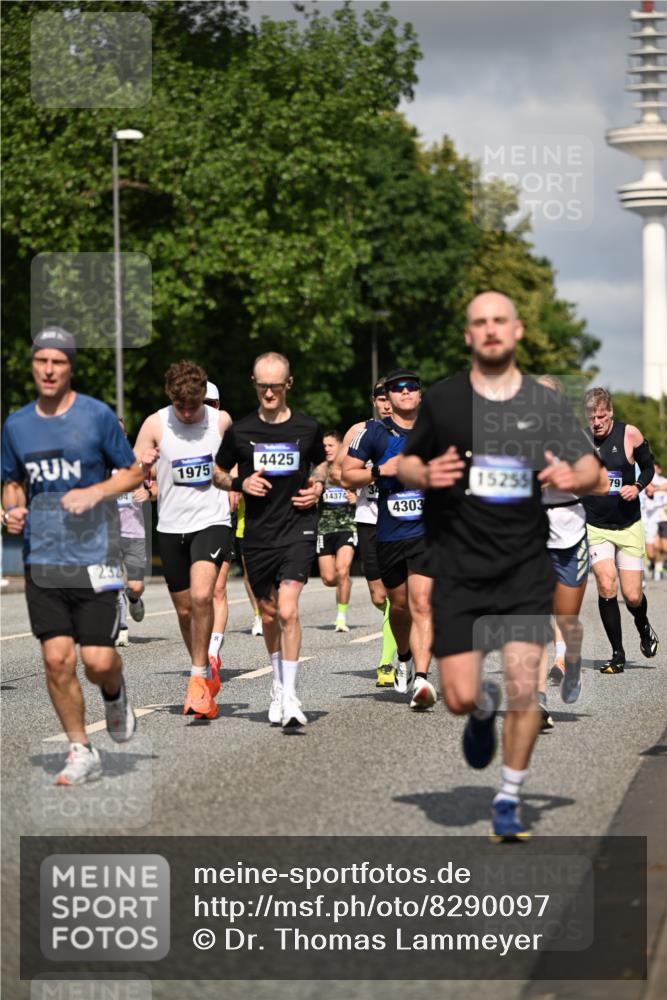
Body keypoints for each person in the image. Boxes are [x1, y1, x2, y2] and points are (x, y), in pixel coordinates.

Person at [398, 292, 601, 840]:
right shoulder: (442, 402)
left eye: (499, 321)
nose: (490, 330)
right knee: (462, 696)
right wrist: (426, 473)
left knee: (522, 687)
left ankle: (509, 795)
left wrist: (572, 478)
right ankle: (480, 710)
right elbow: (405, 461)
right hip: (458, 567)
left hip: (522, 568)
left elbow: (594, 474)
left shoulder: (544, 403)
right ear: (469, 335)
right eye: (479, 322)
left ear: (517, 330)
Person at [1, 327, 154, 784]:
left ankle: (114, 692)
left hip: (97, 553)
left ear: (70, 367)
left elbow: (132, 475)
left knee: (99, 661)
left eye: (58, 362)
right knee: (56, 660)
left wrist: (94, 492)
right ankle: (80, 748)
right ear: (33, 365)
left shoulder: (96, 416)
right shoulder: (17, 425)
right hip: (43, 557)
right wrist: (11, 508)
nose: (49, 370)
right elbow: (12, 481)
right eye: (41, 361)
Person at [213, 352, 327, 728]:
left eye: (275, 386)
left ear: (288, 385)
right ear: (254, 383)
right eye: (262, 386)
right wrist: (239, 483)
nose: (268, 393)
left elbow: (323, 462)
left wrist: (320, 485)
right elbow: (216, 472)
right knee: (271, 614)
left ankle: (291, 696)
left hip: (298, 528)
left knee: (289, 609)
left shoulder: (308, 428)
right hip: (258, 535)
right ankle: (278, 686)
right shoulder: (241, 431)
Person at [133, 362, 233, 719]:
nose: (189, 413)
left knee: (204, 594)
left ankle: (197, 678)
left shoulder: (220, 422)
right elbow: (130, 475)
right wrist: (142, 465)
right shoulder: (155, 424)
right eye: (182, 406)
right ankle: (203, 669)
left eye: (194, 405)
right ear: (171, 399)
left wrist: (233, 481)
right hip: (171, 527)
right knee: (185, 608)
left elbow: (236, 463)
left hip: (212, 520)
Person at [342, 369, 436, 711]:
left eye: (413, 386)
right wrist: (382, 470)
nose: (406, 392)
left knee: (422, 602)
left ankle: (423, 678)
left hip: (426, 532)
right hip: (389, 533)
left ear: (420, 395)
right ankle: (405, 655)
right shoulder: (374, 434)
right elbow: (345, 474)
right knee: (397, 605)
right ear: (388, 398)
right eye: (398, 388)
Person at [535, 375, 610, 723]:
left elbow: (603, 482)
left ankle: (571, 657)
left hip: (569, 531)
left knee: (565, 616)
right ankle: (537, 700)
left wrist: (570, 479)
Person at [581, 387, 659, 674]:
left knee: (633, 595)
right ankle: (617, 654)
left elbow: (648, 468)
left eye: (602, 416)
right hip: (594, 523)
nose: (597, 422)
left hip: (628, 524)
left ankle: (644, 626)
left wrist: (637, 486)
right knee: (605, 583)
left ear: (611, 412)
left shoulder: (630, 434)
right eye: (592, 417)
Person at [333, 380, 398, 686]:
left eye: (391, 397)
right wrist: (353, 481)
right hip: (368, 518)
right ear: (374, 400)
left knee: (397, 592)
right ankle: (403, 622)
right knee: (379, 595)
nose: (387, 404)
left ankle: (387, 663)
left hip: (402, 519)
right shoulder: (359, 431)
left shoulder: (412, 430)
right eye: (381, 399)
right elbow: (338, 471)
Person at [202, 381, 235, 671]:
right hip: (185, 521)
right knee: (195, 595)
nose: (206, 410)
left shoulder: (226, 433)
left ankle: (212, 651)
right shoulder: (179, 433)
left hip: (219, 517)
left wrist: (234, 486)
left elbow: (238, 465)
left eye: (211, 404)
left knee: (218, 589)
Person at [317, 431, 358, 632]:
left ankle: (341, 618)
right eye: (324, 446)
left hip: (347, 526)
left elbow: (367, 489)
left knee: (342, 570)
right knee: (329, 579)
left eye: (331, 445)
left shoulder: (350, 468)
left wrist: (357, 498)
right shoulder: (319, 470)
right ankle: (344, 582)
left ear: (340, 447)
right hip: (324, 528)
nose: (327, 449)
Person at [114, 417, 149, 647]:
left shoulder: (137, 462)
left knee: (134, 585)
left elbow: (156, 484)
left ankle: (134, 598)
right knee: (112, 582)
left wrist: (149, 492)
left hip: (134, 531)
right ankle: (121, 627)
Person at [234, 494, 264, 636]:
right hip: (245, 528)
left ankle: (273, 610)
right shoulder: (239, 471)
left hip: (271, 527)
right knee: (250, 574)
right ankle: (258, 615)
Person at [641, 461, 667, 581]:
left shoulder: (659, 479)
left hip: (656, 518)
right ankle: (651, 566)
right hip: (641, 518)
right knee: (648, 550)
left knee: (660, 548)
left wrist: (653, 489)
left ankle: (657, 566)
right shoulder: (638, 475)